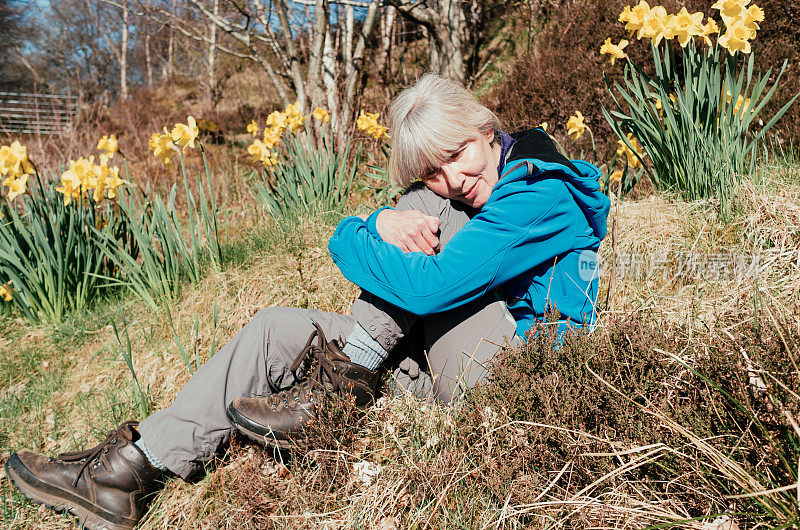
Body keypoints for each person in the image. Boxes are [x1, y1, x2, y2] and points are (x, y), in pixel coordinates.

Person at [4, 74, 610, 530]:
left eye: (456, 155)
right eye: (432, 171)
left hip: (521, 375)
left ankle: (341, 387)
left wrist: (376, 230)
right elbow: (372, 249)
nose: (451, 179)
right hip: (443, 359)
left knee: (424, 226)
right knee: (274, 329)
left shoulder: (541, 195)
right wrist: (375, 221)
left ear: (486, 128)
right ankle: (130, 471)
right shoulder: (468, 195)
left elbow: (431, 289)